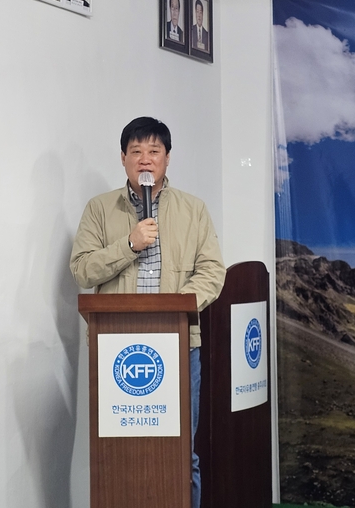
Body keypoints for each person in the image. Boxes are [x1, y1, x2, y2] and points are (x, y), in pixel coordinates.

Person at [70, 117, 226, 508]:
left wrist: (176, 305)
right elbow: (82, 269)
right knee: (115, 450)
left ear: (167, 159)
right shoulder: (99, 209)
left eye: (154, 151)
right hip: (115, 349)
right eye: (136, 151)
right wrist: (129, 244)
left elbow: (212, 271)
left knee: (182, 453)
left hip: (179, 347)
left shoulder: (193, 209)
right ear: (123, 158)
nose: (145, 159)